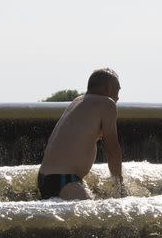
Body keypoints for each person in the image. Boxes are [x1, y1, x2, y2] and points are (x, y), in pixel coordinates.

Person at [37, 68, 124, 200]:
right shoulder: (107, 104)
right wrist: (119, 185)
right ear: (109, 88)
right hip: (65, 180)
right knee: (96, 219)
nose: (118, 97)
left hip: (45, 178)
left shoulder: (77, 101)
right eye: (117, 90)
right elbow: (112, 150)